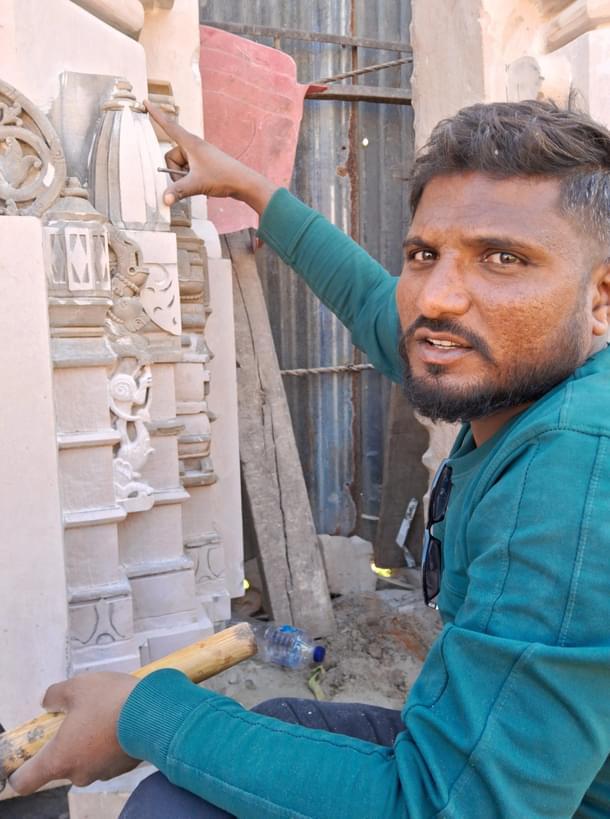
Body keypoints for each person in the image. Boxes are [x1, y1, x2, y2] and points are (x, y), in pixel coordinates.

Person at [9, 99, 610, 818]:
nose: (438, 299)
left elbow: (462, 807)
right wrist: (250, 190)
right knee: (227, 759)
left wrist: (141, 712)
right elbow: (367, 298)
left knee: (173, 809)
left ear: (602, 298)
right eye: (423, 254)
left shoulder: (574, 464)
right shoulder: (509, 367)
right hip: (485, 765)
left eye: (503, 258)